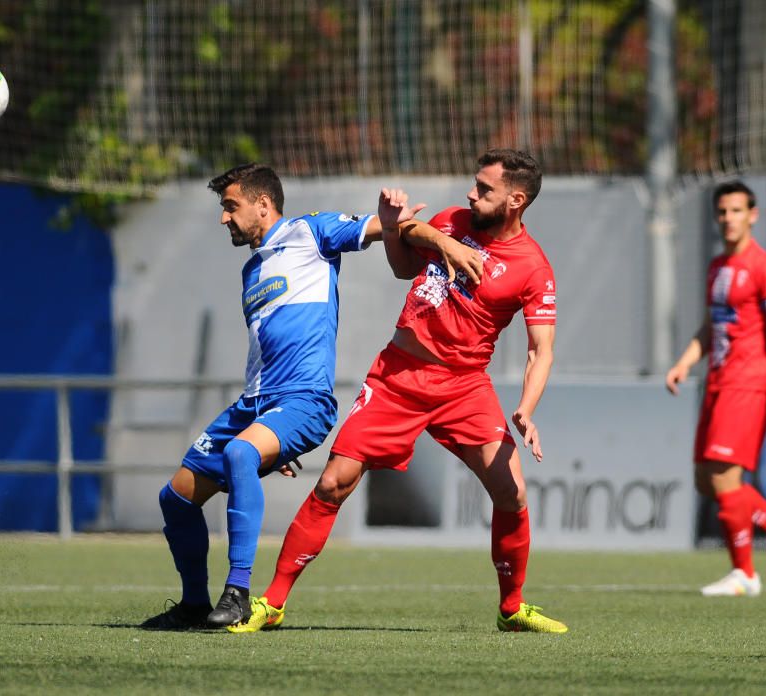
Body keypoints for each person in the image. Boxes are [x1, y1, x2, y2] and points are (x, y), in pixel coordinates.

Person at [229, 148, 568, 634]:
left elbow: (542, 351)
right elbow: (403, 264)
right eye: (475, 183)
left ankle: (511, 608)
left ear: (516, 200)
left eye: (485, 189)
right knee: (333, 483)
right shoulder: (454, 221)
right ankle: (273, 601)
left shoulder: (533, 268)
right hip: (398, 376)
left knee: (511, 492)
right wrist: (397, 228)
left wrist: (527, 410)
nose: (472, 194)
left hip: (464, 386)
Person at [140, 163, 420, 630]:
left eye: (230, 207)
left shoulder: (309, 232)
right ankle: (193, 604)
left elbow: (380, 227)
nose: (223, 218)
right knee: (176, 499)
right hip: (256, 404)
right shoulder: (253, 270)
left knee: (240, 454)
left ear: (263, 205)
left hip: (304, 399)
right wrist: (269, 435)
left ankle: (239, 592)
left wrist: (392, 220)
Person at [665, 180, 766, 597]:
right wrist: (684, 362)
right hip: (717, 381)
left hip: (747, 383)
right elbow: (710, 326)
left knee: (724, 478)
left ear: (753, 215)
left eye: (736, 211)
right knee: (705, 480)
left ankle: (745, 574)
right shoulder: (718, 266)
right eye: (722, 212)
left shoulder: (765, 269)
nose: (728, 218)